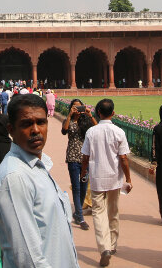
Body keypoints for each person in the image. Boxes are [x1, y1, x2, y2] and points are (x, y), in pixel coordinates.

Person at [0, 94, 79, 267]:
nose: (36, 130)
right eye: (26, 124)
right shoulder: (15, 177)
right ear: (11, 129)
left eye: (41, 122)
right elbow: (28, 258)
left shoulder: (38, 167)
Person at [80, 99, 132, 267]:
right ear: (113, 113)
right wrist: (128, 178)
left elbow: (85, 157)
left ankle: (104, 248)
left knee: (98, 213)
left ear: (98, 113)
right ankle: (113, 244)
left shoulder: (91, 132)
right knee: (113, 212)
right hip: (114, 179)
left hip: (97, 178)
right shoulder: (119, 132)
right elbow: (123, 158)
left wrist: (83, 174)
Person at [62, 98, 96, 231]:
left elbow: (97, 128)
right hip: (72, 157)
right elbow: (64, 131)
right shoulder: (69, 120)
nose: (77, 109)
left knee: (83, 186)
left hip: (85, 158)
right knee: (76, 187)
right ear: (71, 108)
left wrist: (89, 114)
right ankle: (80, 217)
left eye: (79, 107)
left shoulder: (86, 121)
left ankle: (77, 212)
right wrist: (70, 116)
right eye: (75, 107)